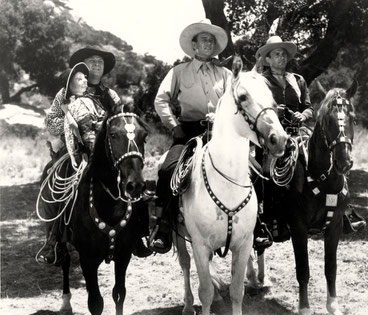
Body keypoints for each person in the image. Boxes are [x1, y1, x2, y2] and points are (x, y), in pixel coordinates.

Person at [37, 46, 152, 265]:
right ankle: (54, 240)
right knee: (53, 175)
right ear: (83, 67)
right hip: (75, 150)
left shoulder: (111, 95)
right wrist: (72, 128)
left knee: (134, 178)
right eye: (92, 61)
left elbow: (121, 121)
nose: (97, 65)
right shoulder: (67, 93)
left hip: (106, 152)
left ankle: (137, 236)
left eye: (100, 62)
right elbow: (52, 122)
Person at [253, 36, 365, 245]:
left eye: (283, 54)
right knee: (265, 170)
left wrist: (302, 116)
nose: (281, 57)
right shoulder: (260, 82)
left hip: (300, 131)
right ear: (267, 59)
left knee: (330, 155)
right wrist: (279, 113)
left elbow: (308, 108)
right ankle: (267, 219)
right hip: (273, 135)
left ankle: (345, 210)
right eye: (276, 54)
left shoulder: (298, 80)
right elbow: (259, 109)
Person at [148, 19, 232, 253]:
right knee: (167, 171)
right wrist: (174, 126)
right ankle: (164, 226)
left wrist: (224, 119)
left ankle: (258, 226)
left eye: (211, 40)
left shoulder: (225, 74)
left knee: (251, 167)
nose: (208, 43)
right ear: (194, 46)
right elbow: (160, 99)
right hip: (188, 133)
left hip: (221, 134)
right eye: (204, 39)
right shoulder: (178, 72)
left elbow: (235, 102)